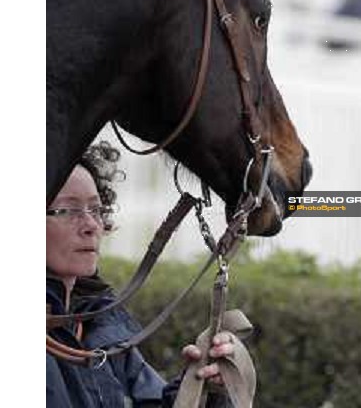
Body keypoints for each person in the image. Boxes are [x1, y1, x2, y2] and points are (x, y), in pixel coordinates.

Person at [47, 142, 235, 407]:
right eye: (67, 210)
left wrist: (205, 387)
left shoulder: (102, 326)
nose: (91, 225)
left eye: (96, 210)